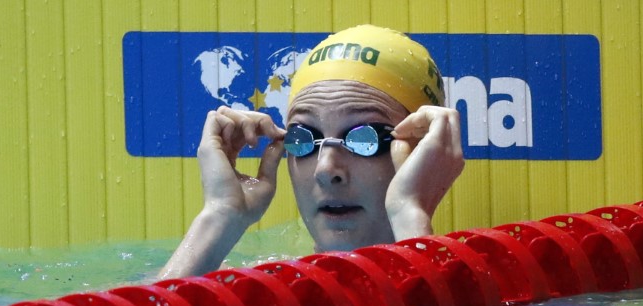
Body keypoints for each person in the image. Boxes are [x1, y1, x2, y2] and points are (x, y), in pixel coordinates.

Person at [158, 25, 464, 280]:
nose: (326, 169)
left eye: (364, 138)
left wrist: (409, 213)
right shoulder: (261, 290)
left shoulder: (478, 287)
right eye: (304, 138)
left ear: (423, 149)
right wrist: (221, 216)